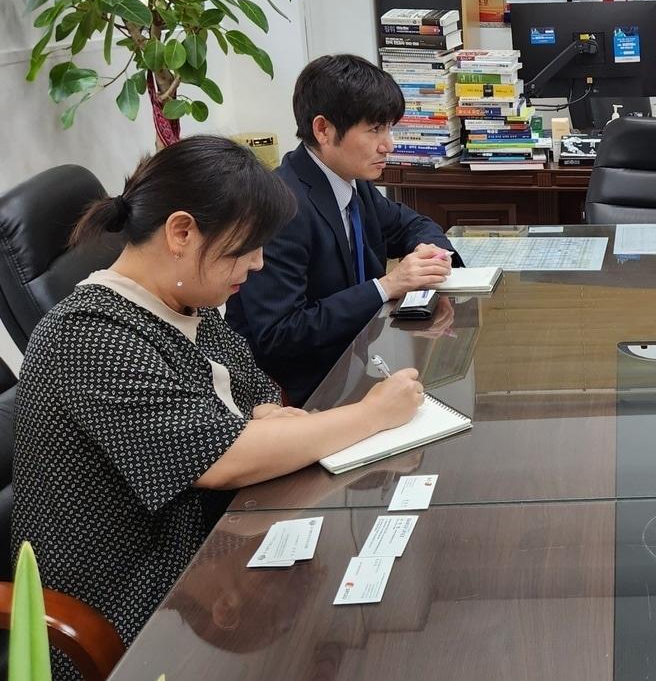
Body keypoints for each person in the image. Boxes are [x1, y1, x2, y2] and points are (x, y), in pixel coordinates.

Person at [9, 136, 424, 674]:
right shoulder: (89, 335)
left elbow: (261, 408)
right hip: (133, 608)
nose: (257, 265)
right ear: (181, 232)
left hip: (205, 559)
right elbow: (223, 456)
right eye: (245, 248)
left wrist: (266, 431)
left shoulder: (187, 308)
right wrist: (371, 415)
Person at [227, 54, 461, 405]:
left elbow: (413, 224)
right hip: (294, 394)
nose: (389, 145)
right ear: (323, 129)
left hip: (353, 363)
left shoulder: (351, 181)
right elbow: (281, 333)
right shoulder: (281, 208)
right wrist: (387, 286)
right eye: (374, 130)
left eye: (389, 128)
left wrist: (432, 254)